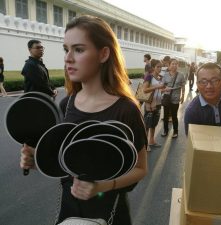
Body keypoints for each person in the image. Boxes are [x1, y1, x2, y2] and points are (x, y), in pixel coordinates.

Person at [20, 15, 147, 225]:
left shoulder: (126, 109)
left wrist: (102, 186)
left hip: (110, 212)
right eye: (66, 49)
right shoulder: (66, 105)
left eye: (78, 49)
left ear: (104, 53)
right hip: (70, 212)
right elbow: (64, 161)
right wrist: (35, 160)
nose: (68, 58)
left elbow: (141, 169)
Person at [143, 59, 164, 150]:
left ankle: (152, 140)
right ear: (153, 67)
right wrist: (157, 87)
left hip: (158, 103)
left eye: (161, 67)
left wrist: (164, 90)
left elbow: (159, 90)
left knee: (154, 123)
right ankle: (145, 144)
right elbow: (144, 90)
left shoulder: (160, 78)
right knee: (147, 124)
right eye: (158, 67)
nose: (159, 68)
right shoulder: (149, 77)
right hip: (150, 104)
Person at [161, 58, 185, 138]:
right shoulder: (165, 75)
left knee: (174, 116)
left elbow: (183, 86)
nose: (174, 65)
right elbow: (162, 86)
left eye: (176, 64)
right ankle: (165, 130)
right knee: (166, 115)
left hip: (175, 98)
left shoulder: (181, 75)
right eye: (173, 64)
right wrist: (164, 89)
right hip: (167, 98)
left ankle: (175, 132)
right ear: (169, 65)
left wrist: (183, 96)